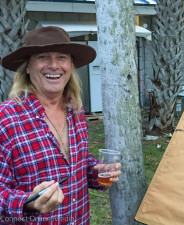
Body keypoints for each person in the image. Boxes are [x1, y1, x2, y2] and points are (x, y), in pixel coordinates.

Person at [0, 26, 121, 224]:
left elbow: (77, 163)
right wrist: (27, 202)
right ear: (28, 68)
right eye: (43, 57)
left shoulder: (75, 110)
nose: (54, 65)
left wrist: (96, 172)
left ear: (71, 66)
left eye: (62, 57)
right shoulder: (6, 119)